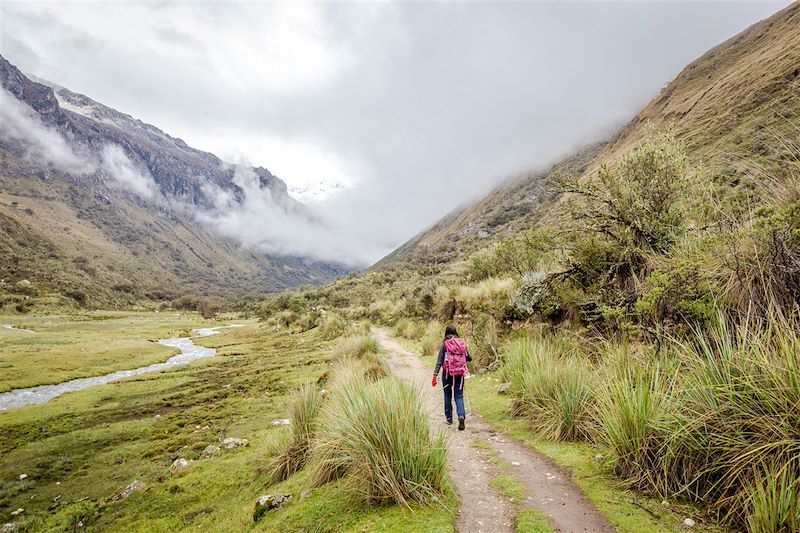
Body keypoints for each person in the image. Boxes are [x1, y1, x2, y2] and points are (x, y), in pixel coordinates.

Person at [432, 325, 472, 430]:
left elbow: (439, 361)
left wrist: (435, 375)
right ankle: (461, 415)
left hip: (447, 374)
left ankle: (449, 418)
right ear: (455, 332)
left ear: (446, 332)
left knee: (447, 395)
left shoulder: (445, 344)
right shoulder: (461, 343)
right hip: (460, 374)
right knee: (459, 396)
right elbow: (469, 358)